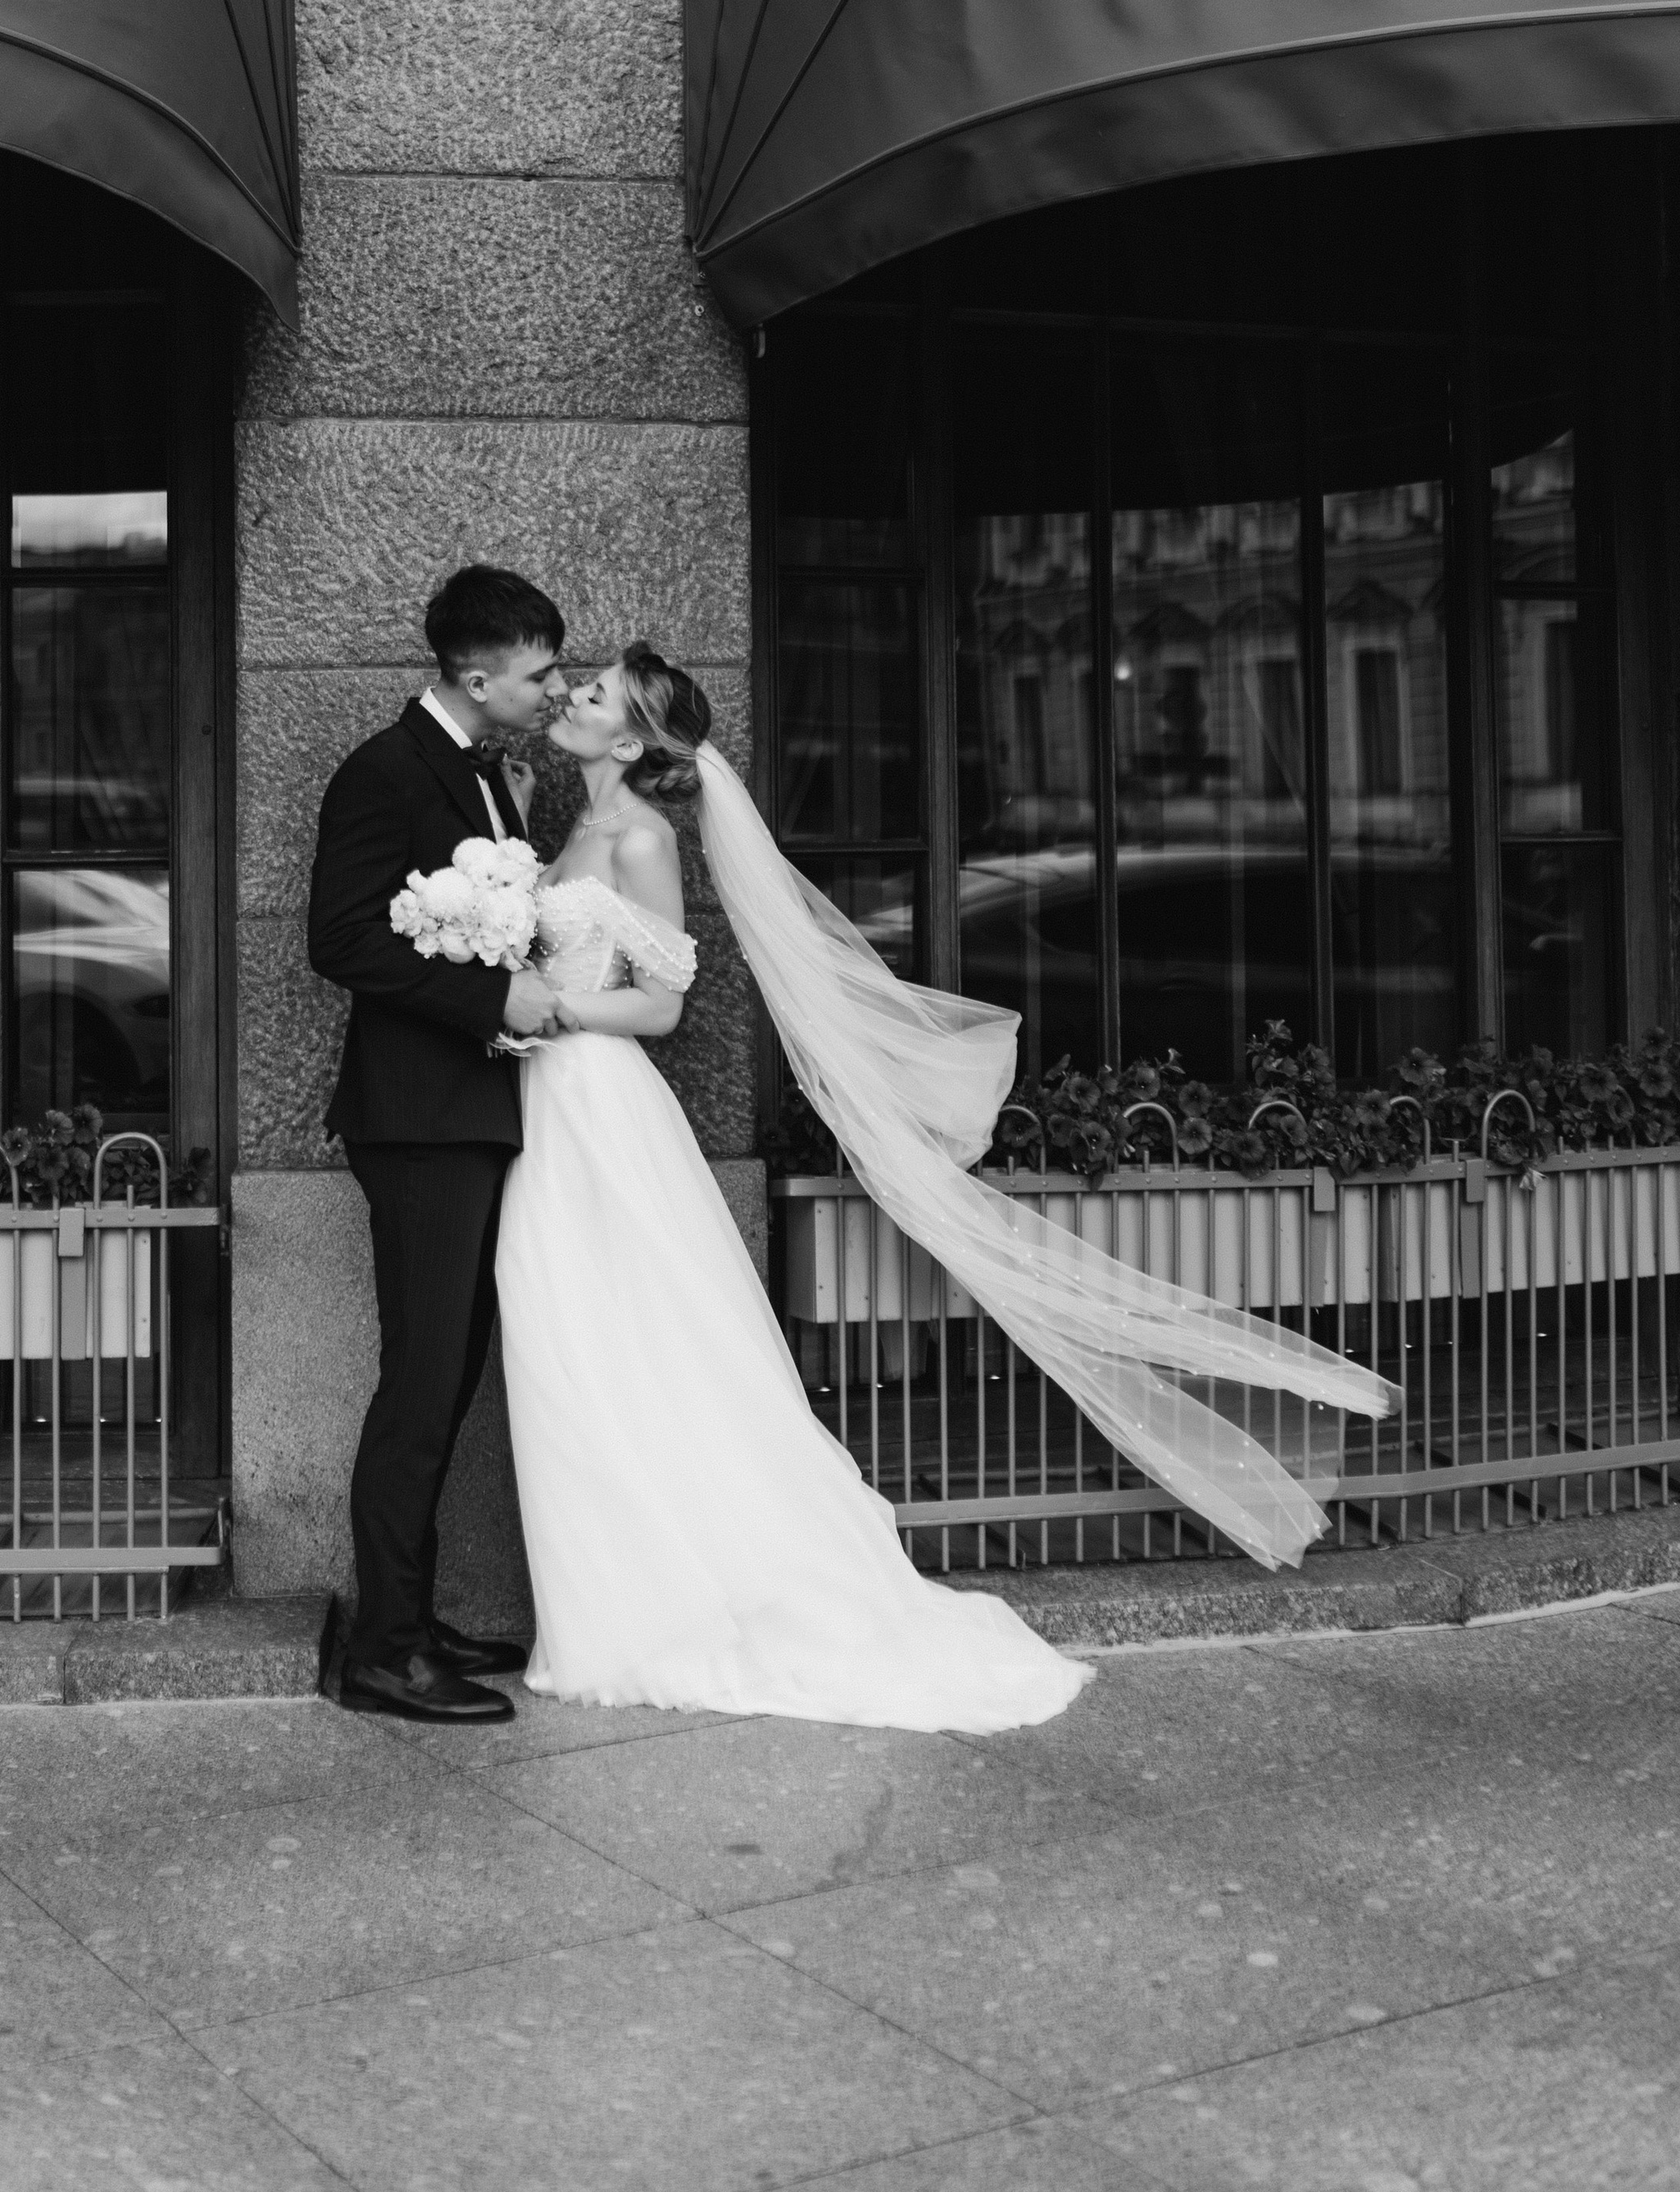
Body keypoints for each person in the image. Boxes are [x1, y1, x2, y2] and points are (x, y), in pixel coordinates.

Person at [494, 644, 1397, 1732]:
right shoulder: (569, 826)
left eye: (590, 694)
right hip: (554, 1106)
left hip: (598, 1099)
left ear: (632, 739)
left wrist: (549, 1008)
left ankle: (660, 1607)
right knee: (579, 1347)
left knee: (624, 1341)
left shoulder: (639, 836)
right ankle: (610, 1603)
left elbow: (662, 1005)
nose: (569, 700)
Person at [306, 564, 567, 1726]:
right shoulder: (384, 768)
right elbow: (340, 937)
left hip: (467, 1114)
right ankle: (384, 1652)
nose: (554, 689)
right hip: (416, 1118)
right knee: (420, 1381)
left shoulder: (495, 774)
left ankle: (407, 1618)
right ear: (477, 673)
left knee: (449, 1371)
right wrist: (486, 1005)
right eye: (540, 670)